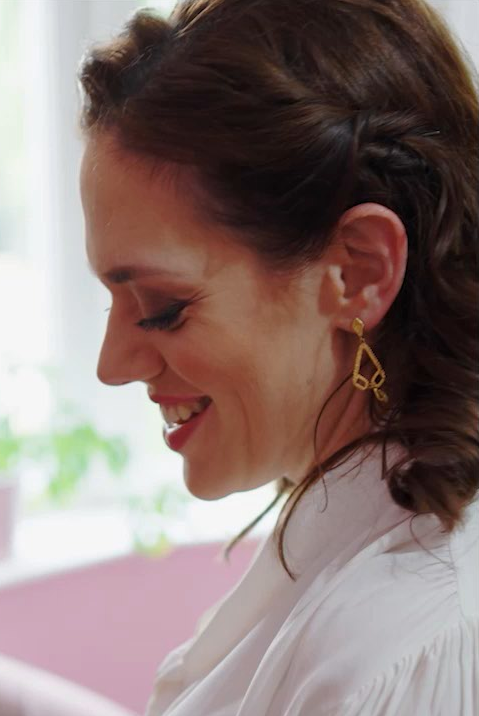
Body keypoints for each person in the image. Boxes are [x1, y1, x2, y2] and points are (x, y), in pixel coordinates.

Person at [76, 0, 478, 714]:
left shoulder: (398, 647)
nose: (112, 364)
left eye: (163, 309)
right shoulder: (345, 556)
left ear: (358, 272)